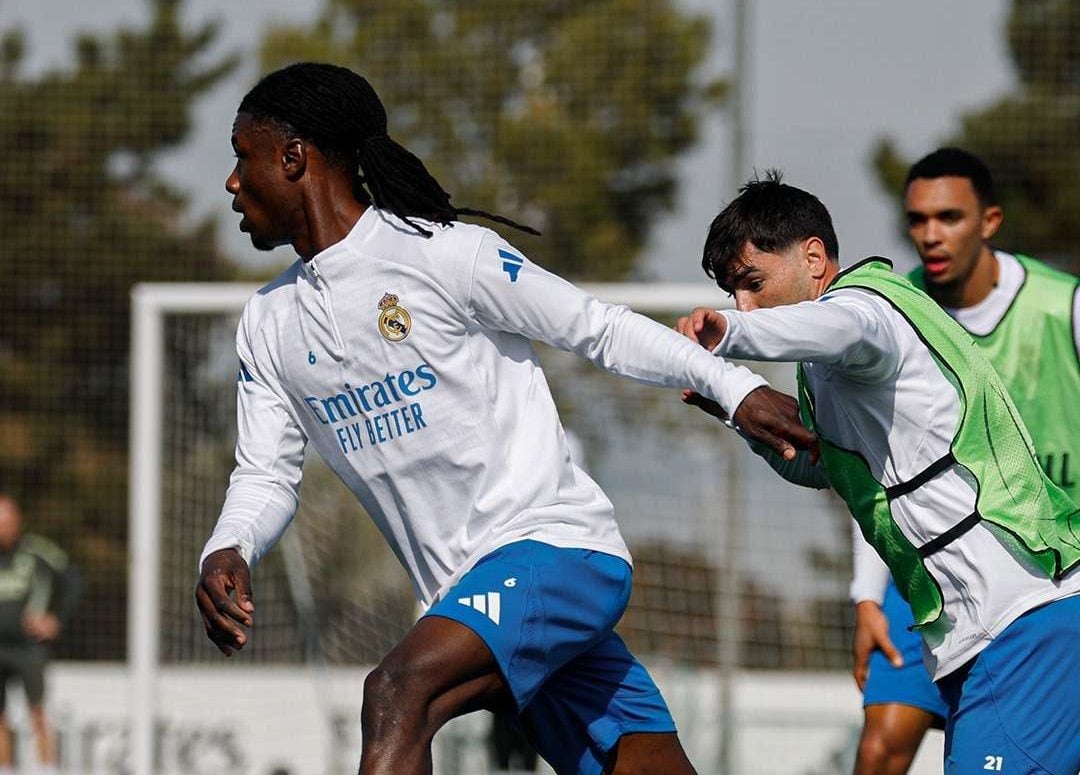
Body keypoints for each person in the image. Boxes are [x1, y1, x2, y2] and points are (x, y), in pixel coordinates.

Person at [194, 62, 814, 775]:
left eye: (243, 158)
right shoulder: (268, 321)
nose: (232, 182)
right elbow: (266, 470)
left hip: (555, 553)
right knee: (644, 764)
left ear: (293, 157)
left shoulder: (444, 255)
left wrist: (735, 389)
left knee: (397, 692)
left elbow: (599, 328)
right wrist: (229, 544)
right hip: (469, 597)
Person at [676, 172, 1080, 775]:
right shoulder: (824, 368)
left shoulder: (868, 307)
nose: (745, 304)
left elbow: (835, 325)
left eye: (753, 284)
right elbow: (827, 467)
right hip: (977, 634)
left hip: (1022, 617)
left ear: (814, 258)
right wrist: (744, 418)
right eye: (734, 294)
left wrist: (733, 333)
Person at [848, 148, 1079, 775]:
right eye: (917, 219)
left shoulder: (1064, 308)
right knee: (880, 747)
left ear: (990, 220)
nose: (930, 234)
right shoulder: (893, 311)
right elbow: (874, 467)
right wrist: (866, 595)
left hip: (1051, 564)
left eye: (948, 216)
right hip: (932, 568)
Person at [0, 495, 78, 775]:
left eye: (6, 520)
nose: (2, 527)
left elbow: (73, 580)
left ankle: (47, 770)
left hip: (28, 648)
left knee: (38, 712)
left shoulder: (36, 551)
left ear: (17, 521)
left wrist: (55, 619)